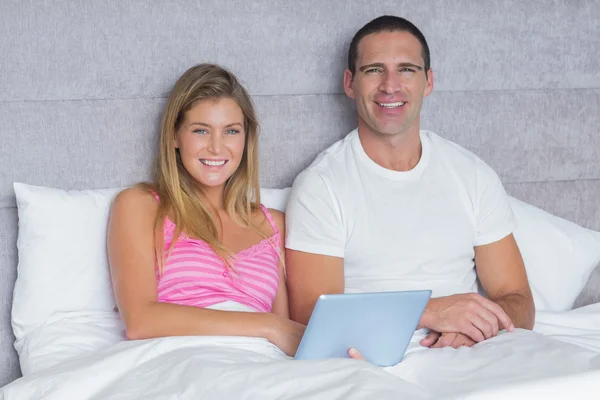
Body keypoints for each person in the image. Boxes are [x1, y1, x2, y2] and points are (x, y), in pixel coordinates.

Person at [285, 15, 535, 349]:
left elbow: (518, 299)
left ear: (428, 82)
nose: (390, 85)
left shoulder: (471, 174)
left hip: (471, 351)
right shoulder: (321, 185)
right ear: (349, 83)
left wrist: (475, 326)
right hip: (368, 357)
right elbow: (312, 320)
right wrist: (430, 312)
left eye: (406, 69)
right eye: (374, 69)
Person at [107, 64, 306, 356]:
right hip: (183, 362)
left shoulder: (272, 225)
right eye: (201, 130)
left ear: (246, 139)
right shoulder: (141, 206)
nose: (216, 147)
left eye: (231, 131)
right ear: (175, 137)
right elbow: (140, 321)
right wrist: (267, 325)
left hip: (260, 368)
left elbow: (288, 337)